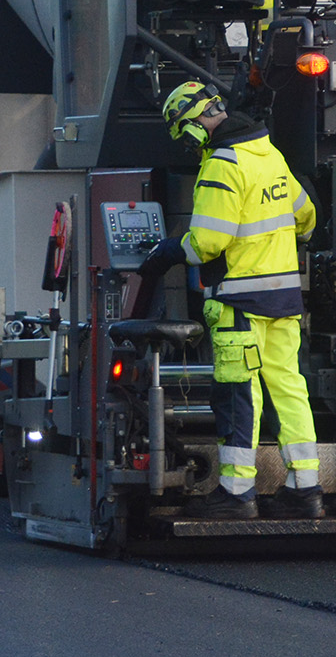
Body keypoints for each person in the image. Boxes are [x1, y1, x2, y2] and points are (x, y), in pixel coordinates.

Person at [136, 80, 321, 520]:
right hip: (283, 298)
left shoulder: (222, 163)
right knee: (289, 389)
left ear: (198, 123)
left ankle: (237, 494)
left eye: (185, 132)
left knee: (239, 394)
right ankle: (305, 489)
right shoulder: (267, 153)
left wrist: (167, 252)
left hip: (240, 301)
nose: (186, 143)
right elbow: (306, 215)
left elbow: (207, 243)